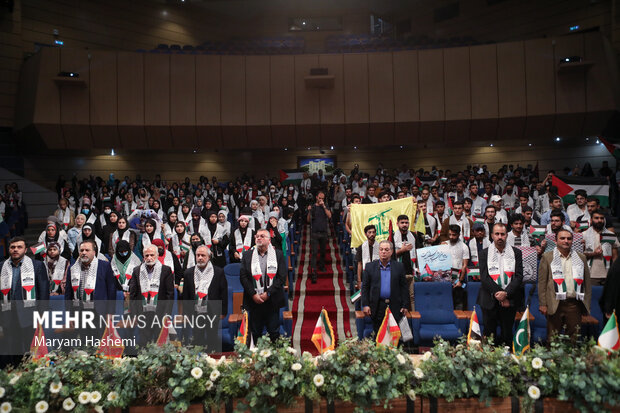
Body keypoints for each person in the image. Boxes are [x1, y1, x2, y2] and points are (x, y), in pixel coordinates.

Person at [477, 223, 524, 346]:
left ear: (507, 235)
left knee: (507, 334)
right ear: (492, 235)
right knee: (489, 335)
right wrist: (499, 293)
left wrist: (506, 294)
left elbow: (519, 277)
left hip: (510, 300)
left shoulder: (516, 253)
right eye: (497, 234)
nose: (500, 237)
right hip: (489, 299)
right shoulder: (484, 253)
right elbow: (484, 277)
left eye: (502, 234)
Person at [538, 229, 591, 339]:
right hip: (554, 303)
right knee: (552, 339)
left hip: (574, 304)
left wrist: (586, 305)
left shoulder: (581, 258)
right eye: (562, 238)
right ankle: (552, 357)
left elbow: (587, 284)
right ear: (555, 241)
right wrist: (543, 303)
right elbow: (542, 283)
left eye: (569, 238)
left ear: (572, 241)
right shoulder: (547, 257)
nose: (566, 241)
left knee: (573, 339)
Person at [239, 229, 287, 343]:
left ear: (269, 240)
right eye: (257, 236)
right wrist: (253, 294)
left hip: (272, 300)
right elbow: (243, 277)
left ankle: (274, 359)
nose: (258, 238)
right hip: (254, 301)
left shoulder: (278, 254)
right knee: (255, 333)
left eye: (262, 236)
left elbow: (281, 278)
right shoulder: (247, 255)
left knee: (274, 332)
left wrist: (268, 293)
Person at [181, 245, 228, 346]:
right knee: (197, 340)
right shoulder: (188, 273)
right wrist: (186, 313)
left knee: (212, 339)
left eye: (203, 255)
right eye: (198, 255)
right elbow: (186, 296)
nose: (200, 258)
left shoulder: (218, 272)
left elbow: (223, 293)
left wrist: (223, 312)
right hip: (195, 312)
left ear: (209, 256)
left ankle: (212, 360)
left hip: (212, 311)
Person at [361, 240, 409, 336]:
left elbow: (404, 287)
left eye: (386, 250)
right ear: (378, 251)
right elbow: (365, 287)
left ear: (391, 252)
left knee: (394, 336)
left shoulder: (399, 267)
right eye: (381, 249)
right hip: (377, 306)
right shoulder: (370, 267)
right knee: (379, 335)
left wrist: (405, 305)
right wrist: (365, 304)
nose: (383, 252)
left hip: (395, 306)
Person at [129, 245, 175, 345]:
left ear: (157, 255)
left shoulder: (166, 270)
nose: (149, 258)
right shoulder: (137, 271)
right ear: (143, 257)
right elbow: (132, 294)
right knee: (144, 343)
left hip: (160, 313)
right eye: (147, 255)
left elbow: (169, 295)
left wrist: (167, 314)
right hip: (142, 313)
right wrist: (134, 314)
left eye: (152, 255)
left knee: (160, 343)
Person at [65, 239, 117, 304]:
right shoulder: (72, 268)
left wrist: (110, 311)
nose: (84, 253)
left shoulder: (105, 266)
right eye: (81, 250)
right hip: (78, 308)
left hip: (99, 309)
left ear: (94, 252)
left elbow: (111, 290)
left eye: (87, 250)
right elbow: (68, 293)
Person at [582, 209, 619, 286]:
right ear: (591, 220)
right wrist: (593, 254)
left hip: (608, 274)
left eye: (601, 218)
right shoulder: (583, 235)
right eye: (596, 218)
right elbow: (580, 255)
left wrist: (614, 272)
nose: (599, 220)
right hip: (591, 274)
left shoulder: (611, 235)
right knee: (592, 297)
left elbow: (615, 256)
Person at [442, 225, 470, 309]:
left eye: (454, 235)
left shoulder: (464, 247)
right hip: (445, 278)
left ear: (458, 234)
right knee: (445, 303)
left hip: (457, 279)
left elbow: (464, 265)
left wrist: (460, 281)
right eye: (449, 234)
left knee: (458, 304)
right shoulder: (444, 244)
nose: (451, 237)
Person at [393, 215, 417, 310]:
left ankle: (413, 319)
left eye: (406, 223)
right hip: (397, 273)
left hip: (411, 272)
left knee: (412, 297)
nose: (404, 225)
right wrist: (402, 250)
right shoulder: (392, 237)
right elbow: (388, 255)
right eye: (402, 223)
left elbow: (418, 251)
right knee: (399, 297)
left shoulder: (413, 236)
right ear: (397, 224)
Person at [307, 191, 331, 281]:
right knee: (314, 252)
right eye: (320, 198)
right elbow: (308, 220)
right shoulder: (313, 207)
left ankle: (321, 266)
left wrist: (324, 206)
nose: (321, 200)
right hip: (315, 233)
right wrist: (309, 211)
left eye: (323, 198)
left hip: (324, 232)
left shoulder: (325, 206)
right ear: (316, 197)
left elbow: (329, 216)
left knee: (323, 251)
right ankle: (314, 271)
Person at [356, 225, 379, 291]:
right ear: (366, 234)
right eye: (369, 232)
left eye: (373, 232)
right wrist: (359, 280)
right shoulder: (361, 247)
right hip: (365, 274)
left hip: (377, 274)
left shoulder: (380, 246)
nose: (372, 234)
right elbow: (359, 263)